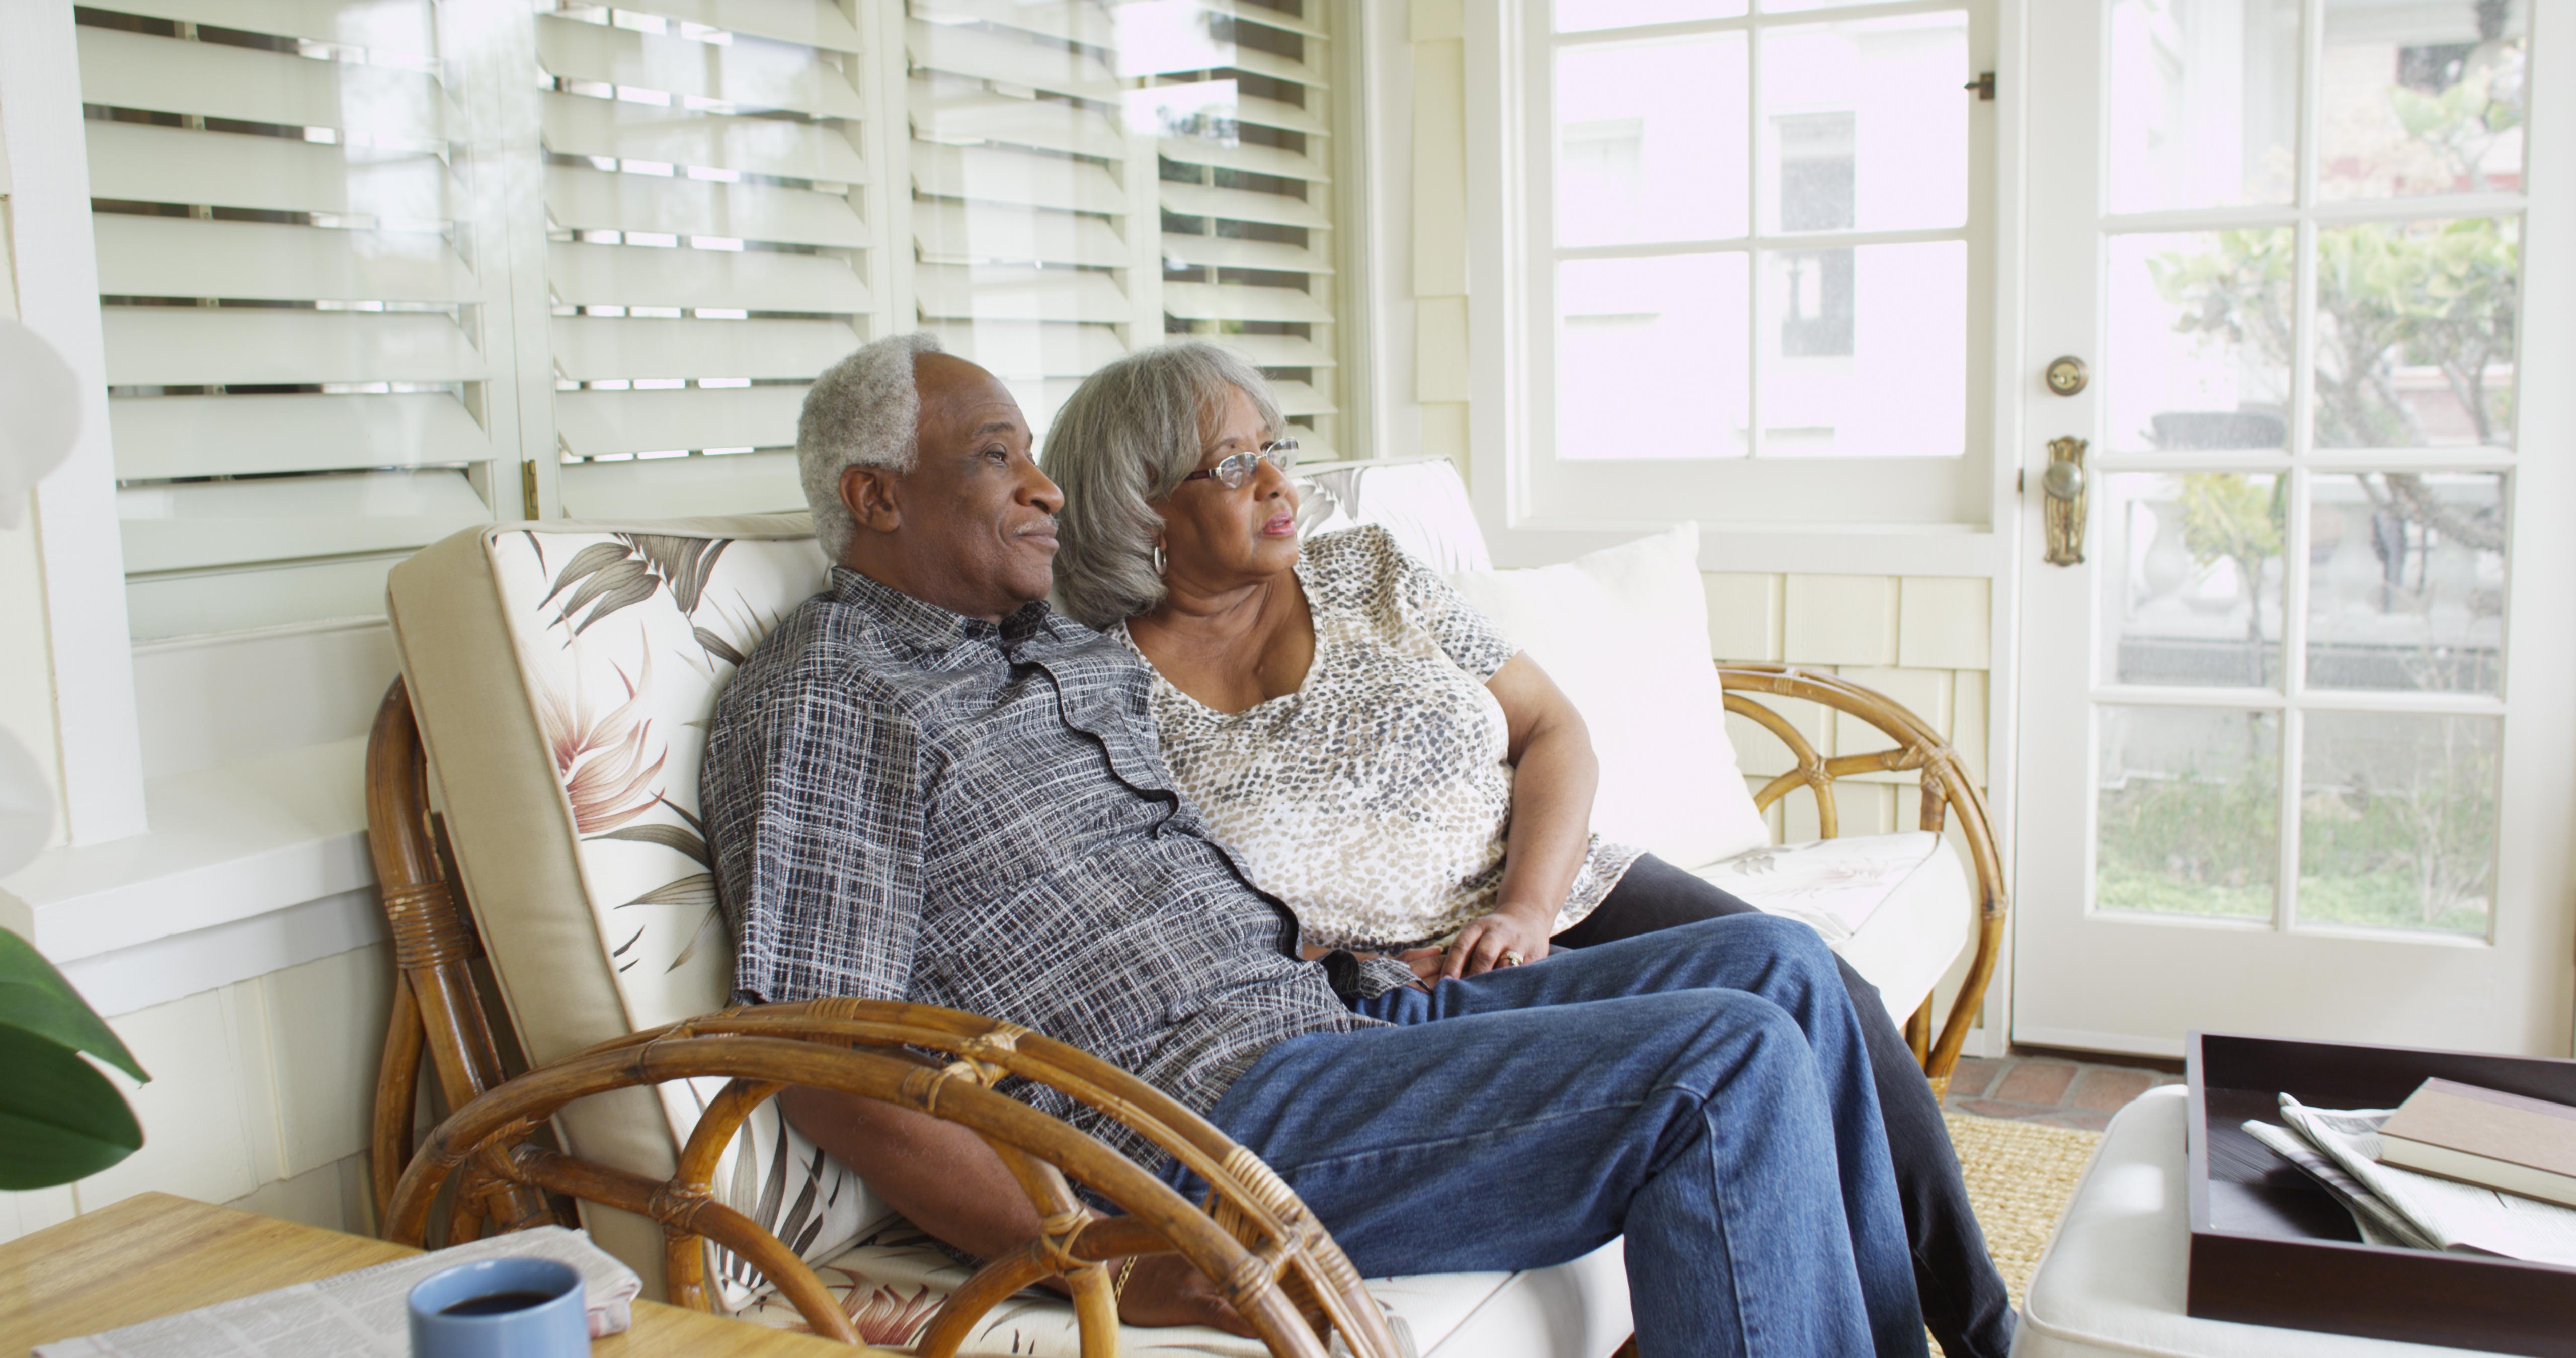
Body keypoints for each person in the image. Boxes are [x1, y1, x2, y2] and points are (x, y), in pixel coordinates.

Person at [703, 331, 1928, 1358]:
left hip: (1344, 1014)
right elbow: (827, 1057)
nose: (1045, 487)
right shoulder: (829, 692)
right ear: (875, 497)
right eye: (995, 458)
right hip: (1203, 1118)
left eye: (1034, 454)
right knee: (1724, 1060)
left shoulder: (1048, 647)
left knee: (1781, 971)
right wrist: (1106, 1259)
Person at [1043, 341, 2015, 1358]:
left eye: (1274, 446)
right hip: (1403, 976)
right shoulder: (1096, 696)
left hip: (1556, 890)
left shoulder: (1364, 571)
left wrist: (1527, 907)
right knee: (1739, 1052)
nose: (1281, 482)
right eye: (1233, 465)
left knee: (1815, 985)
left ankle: (1981, 1332)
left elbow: (1552, 728)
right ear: (1139, 504)